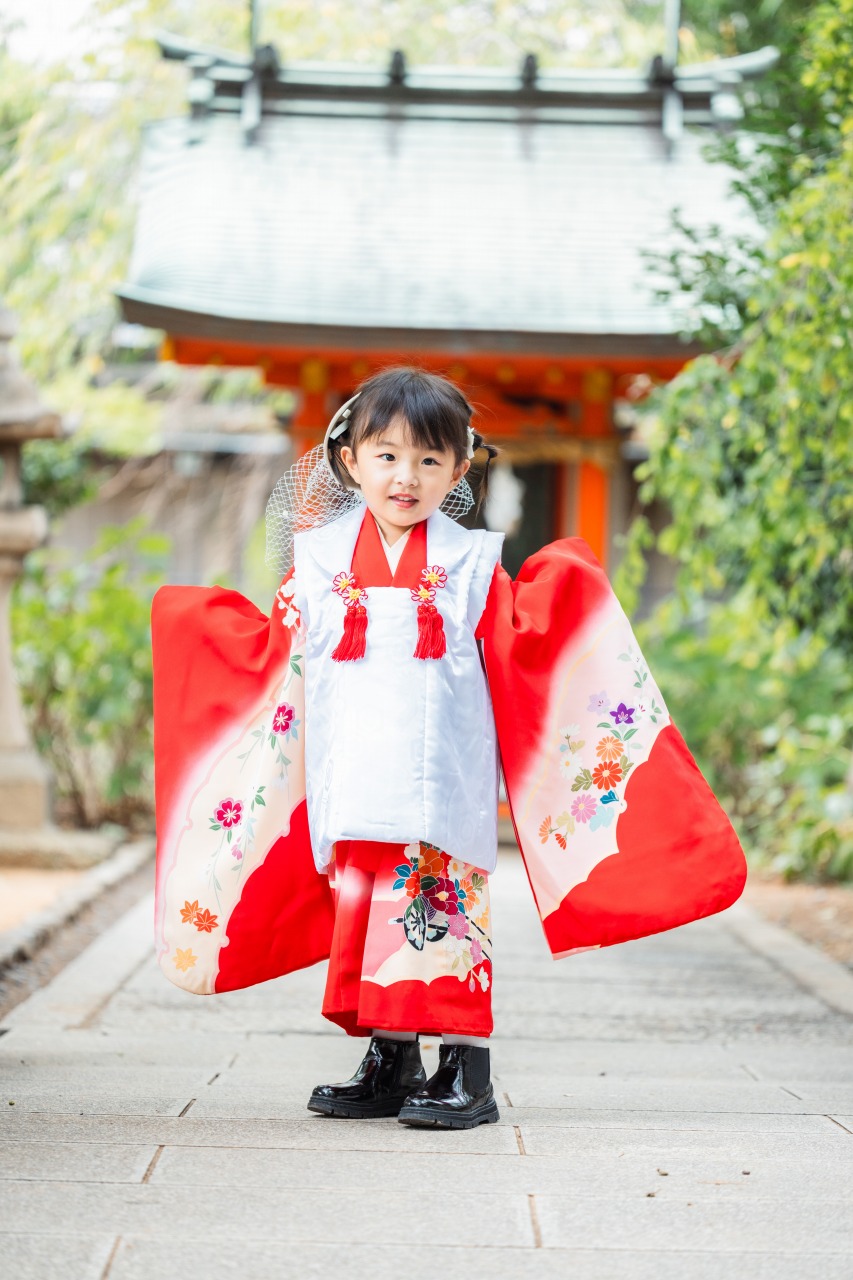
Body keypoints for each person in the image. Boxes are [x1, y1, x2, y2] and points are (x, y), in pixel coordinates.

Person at [150, 366, 747, 1131]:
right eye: (387, 456)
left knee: (440, 920)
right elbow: (277, 662)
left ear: (459, 470)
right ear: (348, 460)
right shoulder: (317, 561)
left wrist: (565, 591)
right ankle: (389, 1059)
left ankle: (468, 1068)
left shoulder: (469, 565)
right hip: (356, 776)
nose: (407, 477)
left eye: (430, 460)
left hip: (441, 784)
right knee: (369, 917)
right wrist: (199, 633)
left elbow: (525, 648)